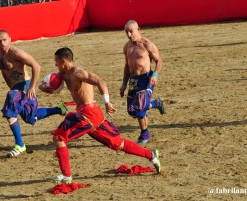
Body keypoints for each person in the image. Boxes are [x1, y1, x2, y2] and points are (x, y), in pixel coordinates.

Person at [40, 47, 161, 184]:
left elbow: (100, 82)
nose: (55, 64)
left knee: (59, 138)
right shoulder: (62, 75)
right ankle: (151, 155)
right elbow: (47, 86)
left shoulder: (79, 73)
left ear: (63, 61)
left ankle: (66, 175)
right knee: (118, 143)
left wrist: (107, 102)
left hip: (89, 113)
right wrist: (42, 87)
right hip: (90, 115)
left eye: (56, 61)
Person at [0, 30, 67, 158]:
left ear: (9, 39)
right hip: (15, 87)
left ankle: (19, 144)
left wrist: (31, 87)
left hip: (24, 85)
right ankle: (59, 109)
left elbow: (36, 66)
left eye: (4, 40)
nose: (2, 43)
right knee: (32, 117)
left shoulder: (16, 53)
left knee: (10, 107)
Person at [120, 20, 166, 145]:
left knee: (140, 107)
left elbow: (159, 62)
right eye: (127, 32)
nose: (129, 35)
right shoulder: (127, 47)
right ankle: (156, 103)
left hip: (146, 78)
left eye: (131, 31)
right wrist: (124, 83)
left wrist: (155, 75)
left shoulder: (147, 45)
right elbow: (127, 66)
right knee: (131, 110)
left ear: (138, 30)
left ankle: (144, 134)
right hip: (133, 80)